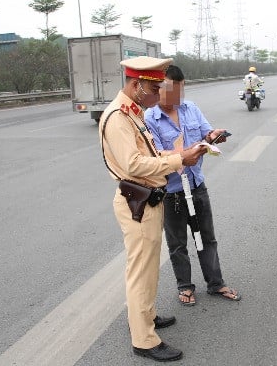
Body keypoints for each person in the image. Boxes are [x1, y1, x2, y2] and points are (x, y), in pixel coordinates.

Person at [98, 56, 207, 362]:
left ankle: (145, 316)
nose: (160, 95)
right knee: (141, 272)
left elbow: (148, 152)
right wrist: (177, 160)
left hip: (149, 199)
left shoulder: (134, 113)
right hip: (138, 202)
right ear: (136, 85)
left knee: (147, 269)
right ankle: (144, 339)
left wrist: (179, 154)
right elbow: (133, 163)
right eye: (154, 88)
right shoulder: (119, 118)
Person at [145, 65, 241, 307]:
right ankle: (185, 287)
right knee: (177, 244)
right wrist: (185, 153)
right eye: (169, 91)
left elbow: (205, 134)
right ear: (158, 89)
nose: (175, 98)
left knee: (206, 237)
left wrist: (212, 137)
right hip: (172, 192)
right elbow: (156, 155)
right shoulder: (150, 118)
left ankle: (216, 283)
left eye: (179, 91)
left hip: (196, 184)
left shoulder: (191, 108)